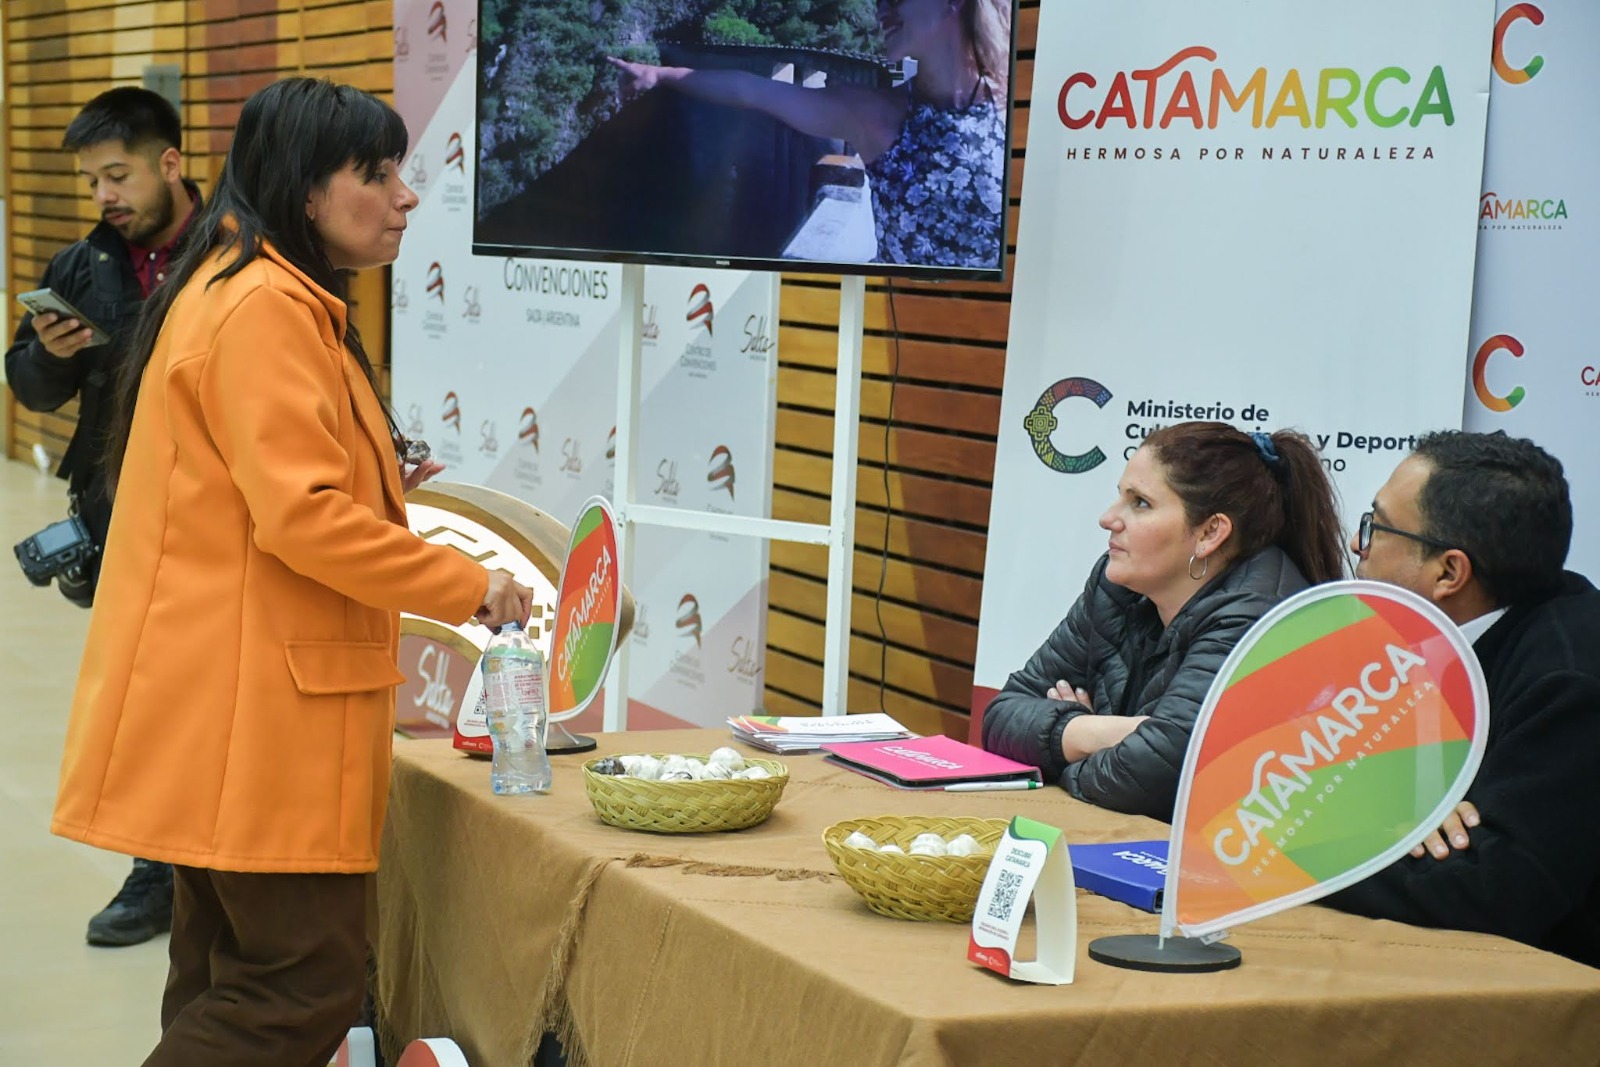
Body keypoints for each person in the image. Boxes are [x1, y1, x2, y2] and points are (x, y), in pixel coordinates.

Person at [49, 77, 535, 1066]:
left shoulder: (252, 288)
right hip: (253, 718)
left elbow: (260, 485)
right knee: (300, 985)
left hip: (221, 707)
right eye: (377, 173)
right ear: (306, 191)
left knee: (220, 977)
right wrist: (470, 584)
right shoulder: (265, 307)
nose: (404, 195)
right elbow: (303, 518)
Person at [5, 86, 201, 948]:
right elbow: (27, 384)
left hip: (220, 521)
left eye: (117, 175)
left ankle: (226, 870)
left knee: (218, 701)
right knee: (142, 702)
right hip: (121, 517)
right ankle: (156, 869)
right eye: (92, 181)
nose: (104, 196)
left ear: (171, 162)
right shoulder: (82, 265)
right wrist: (49, 359)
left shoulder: (235, 252)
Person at [1325, 431, 1600, 968]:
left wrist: (1306, 850)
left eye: (1376, 526)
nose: (1358, 544)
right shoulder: (1418, 635)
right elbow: (1315, 778)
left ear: (1449, 572)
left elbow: (1495, 888)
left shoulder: (1570, 683)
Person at [981, 422, 1346, 820]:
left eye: (1140, 503)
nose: (1108, 518)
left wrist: (1062, 756)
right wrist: (1096, 730)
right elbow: (1002, 715)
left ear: (1209, 533)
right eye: (1120, 496)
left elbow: (1156, 775)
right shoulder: (1117, 586)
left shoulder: (1258, 613)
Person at [606, 0, 1010, 268]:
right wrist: (659, 75)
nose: (881, 11)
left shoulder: (1015, 102)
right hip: (906, 333)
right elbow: (752, 91)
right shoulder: (873, 116)